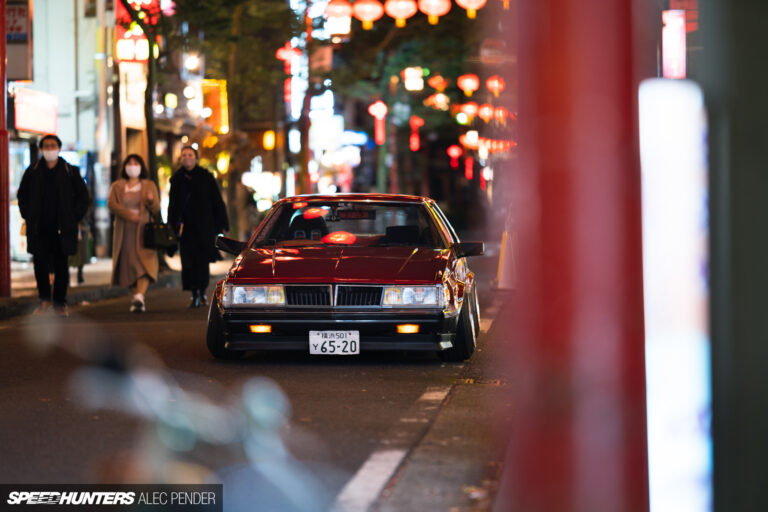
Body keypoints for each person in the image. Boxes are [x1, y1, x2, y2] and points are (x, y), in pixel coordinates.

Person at [17, 134, 91, 315]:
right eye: (46, 146)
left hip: (63, 229)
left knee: (61, 266)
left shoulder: (69, 170)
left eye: (53, 146)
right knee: (40, 265)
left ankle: (59, 303)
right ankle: (44, 301)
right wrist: (28, 216)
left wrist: (74, 217)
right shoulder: (32, 170)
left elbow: (84, 197)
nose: (50, 149)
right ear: (41, 149)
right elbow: (22, 196)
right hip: (38, 229)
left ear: (58, 148)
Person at [168, 145, 229, 308]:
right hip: (185, 229)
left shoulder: (206, 177)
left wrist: (222, 224)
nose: (187, 157)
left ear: (195, 158)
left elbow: (217, 202)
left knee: (202, 261)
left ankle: (202, 291)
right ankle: (193, 293)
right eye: (184, 155)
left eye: (190, 155)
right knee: (188, 262)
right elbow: (172, 206)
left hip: (204, 228)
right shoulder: (177, 179)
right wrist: (171, 226)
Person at [107, 154, 161, 313]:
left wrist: (151, 200)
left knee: (144, 264)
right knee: (128, 266)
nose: (132, 166)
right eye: (129, 163)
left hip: (144, 231)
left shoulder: (149, 185)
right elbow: (111, 204)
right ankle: (137, 298)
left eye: (136, 163)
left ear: (141, 166)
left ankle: (139, 297)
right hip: (124, 232)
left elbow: (156, 208)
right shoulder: (117, 186)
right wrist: (128, 214)